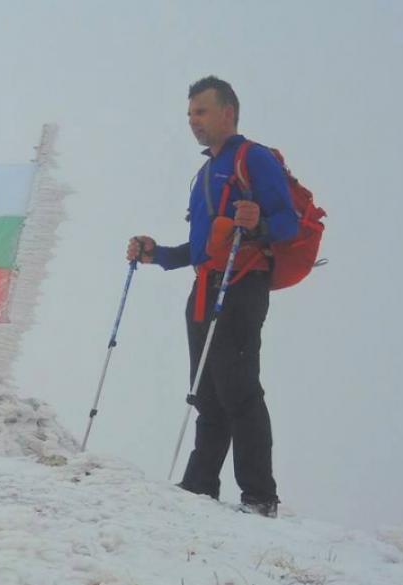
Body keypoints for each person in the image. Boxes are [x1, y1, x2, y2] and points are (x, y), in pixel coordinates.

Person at [126, 76, 298, 518]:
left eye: (201, 111)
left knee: (239, 389)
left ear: (228, 112)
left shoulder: (252, 158)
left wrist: (258, 224)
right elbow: (200, 249)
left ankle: (259, 498)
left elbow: (288, 222)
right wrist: (156, 254)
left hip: (242, 284)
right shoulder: (204, 173)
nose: (192, 121)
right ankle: (199, 487)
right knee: (207, 393)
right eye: (189, 114)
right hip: (206, 286)